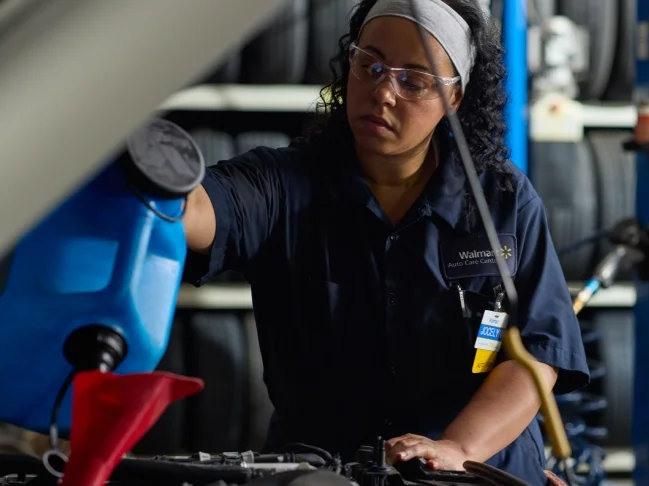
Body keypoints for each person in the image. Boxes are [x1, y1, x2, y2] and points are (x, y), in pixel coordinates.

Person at [181, 0, 589, 484]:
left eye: (413, 81)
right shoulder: (282, 184)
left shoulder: (502, 200)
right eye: (369, 65)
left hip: (474, 471)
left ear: (454, 99)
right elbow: (198, 211)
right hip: (326, 473)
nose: (383, 93)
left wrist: (457, 448)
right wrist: (158, 179)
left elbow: (539, 353)